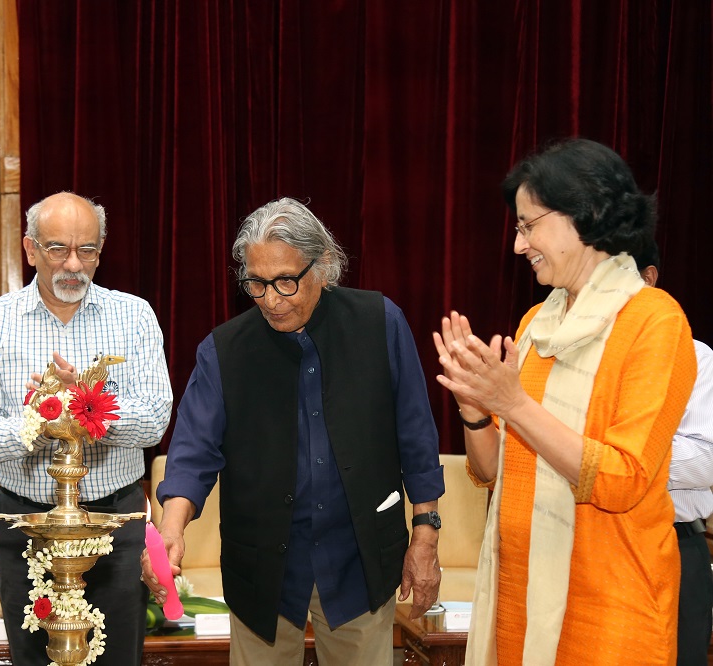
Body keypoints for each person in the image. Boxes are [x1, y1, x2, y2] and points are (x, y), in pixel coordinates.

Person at [433, 138, 697, 665]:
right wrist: (474, 405)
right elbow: (490, 471)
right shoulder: (537, 324)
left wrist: (513, 404)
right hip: (519, 606)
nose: (517, 245)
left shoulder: (654, 321)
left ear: (585, 213)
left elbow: (621, 481)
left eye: (528, 225)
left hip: (610, 612)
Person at [149, 197, 444, 665]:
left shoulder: (380, 323)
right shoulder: (224, 350)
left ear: (323, 267)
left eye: (285, 281)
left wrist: (425, 535)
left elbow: (417, 437)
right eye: (257, 283)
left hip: (360, 561)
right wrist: (172, 525)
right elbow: (193, 452)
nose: (271, 299)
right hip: (263, 569)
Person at [0, 192, 173, 666]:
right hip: (24, 523)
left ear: (102, 249)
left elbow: (155, 419)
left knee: (117, 659)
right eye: (57, 249)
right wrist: (39, 422)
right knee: (35, 659)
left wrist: (90, 410)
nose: (73, 264)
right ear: (30, 250)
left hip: (114, 521)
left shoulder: (133, 316)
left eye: (86, 250)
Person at [632, 240, 713, 665]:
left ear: (648, 279)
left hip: (677, 549)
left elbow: (704, 463)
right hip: (589, 549)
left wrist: (616, 460)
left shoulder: (698, 358)